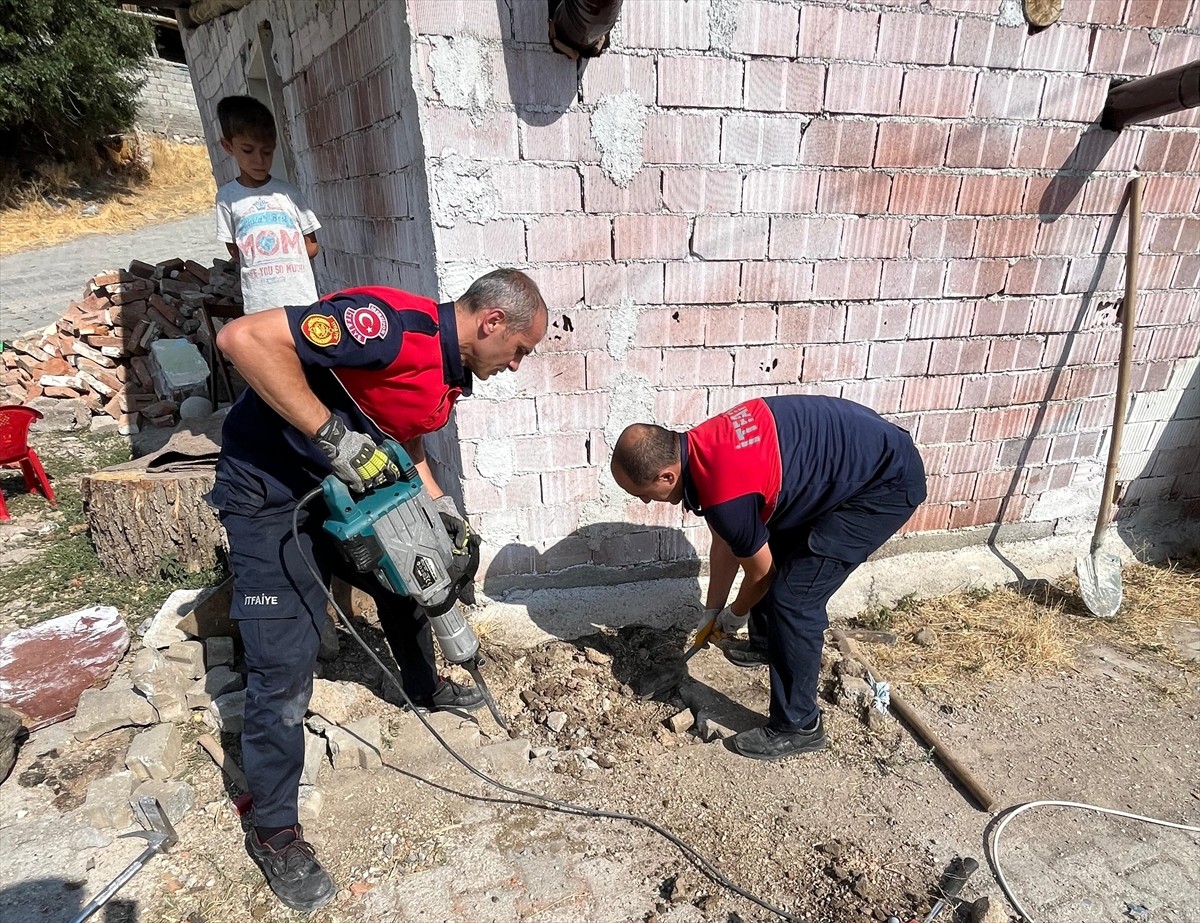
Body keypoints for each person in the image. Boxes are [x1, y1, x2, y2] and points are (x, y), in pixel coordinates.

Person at [209, 269, 547, 911]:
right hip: (271, 496)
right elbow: (244, 339)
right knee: (283, 664)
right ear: (492, 324)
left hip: (346, 492)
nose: (518, 364)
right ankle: (275, 829)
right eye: (521, 350)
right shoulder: (388, 328)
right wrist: (330, 436)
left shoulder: (446, 371)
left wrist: (440, 510)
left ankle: (422, 684)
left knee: (412, 569)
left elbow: (399, 428)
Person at [611, 395, 926, 762]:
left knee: (795, 598)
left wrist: (734, 615)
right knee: (766, 538)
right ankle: (767, 644)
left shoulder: (724, 490)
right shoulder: (702, 448)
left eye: (644, 495)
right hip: (847, 462)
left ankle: (799, 725)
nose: (648, 503)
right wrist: (712, 610)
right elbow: (730, 539)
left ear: (667, 475)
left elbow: (762, 575)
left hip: (882, 483)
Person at [214, 95, 322, 315]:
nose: (259, 160)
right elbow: (235, 250)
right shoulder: (227, 198)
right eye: (247, 150)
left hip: (302, 302)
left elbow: (312, 246)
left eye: (267, 151)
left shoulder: (289, 193)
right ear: (228, 146)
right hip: (260, 306)